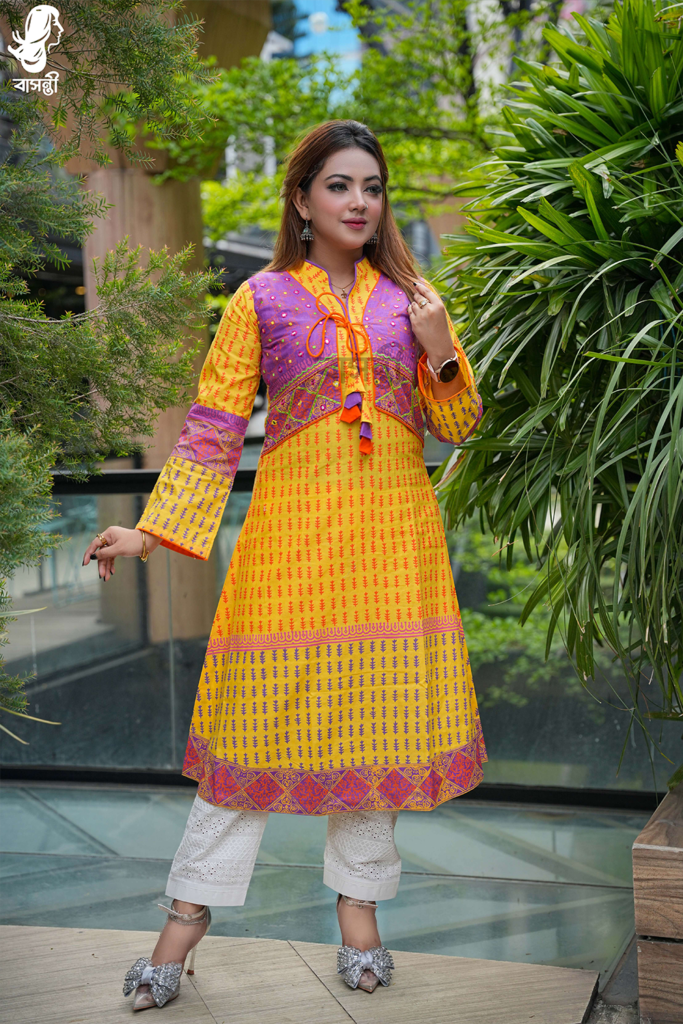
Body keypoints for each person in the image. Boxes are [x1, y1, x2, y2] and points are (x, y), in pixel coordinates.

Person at [83, 119, 486, 1012]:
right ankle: (182, 926)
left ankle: (359, 921)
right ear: (301, 199)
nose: (358, 202)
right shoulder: (259, 299)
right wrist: (150, 533)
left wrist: (439, 346)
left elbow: (458, 424)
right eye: (339, 185)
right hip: (289, 552)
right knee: (251, 734)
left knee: (377, 732)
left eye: (371, 187)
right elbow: (213, 429)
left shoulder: (411, 298)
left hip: (393, 549)